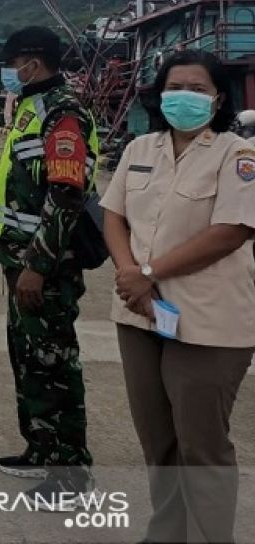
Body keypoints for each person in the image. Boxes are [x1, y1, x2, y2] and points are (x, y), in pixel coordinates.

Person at [101, 49, 255, 544]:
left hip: (208, 321)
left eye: (197, 89)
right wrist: (129, 273)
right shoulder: (139, 149)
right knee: (158, 441)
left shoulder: (238, 156)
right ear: (159, 93)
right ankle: (165, 534)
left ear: (218, 98)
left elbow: (230, 231)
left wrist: (148, 273)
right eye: (175, 88)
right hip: (140, 317)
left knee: (201, 446)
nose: (184, 97)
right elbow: (114, 216)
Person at [0, 25, 96, 503]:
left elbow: (66, 196)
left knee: (53, 364)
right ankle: (41, 446)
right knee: (28, 358)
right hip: (19, 260)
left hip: (44, 267)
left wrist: (37, 266)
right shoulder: (32, 108)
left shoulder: (63, 114)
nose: (9, 73)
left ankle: (71, 474)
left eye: (13, 64)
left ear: (33, 62)